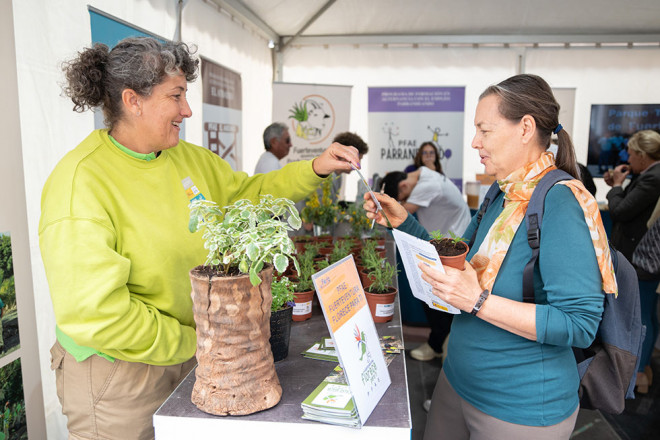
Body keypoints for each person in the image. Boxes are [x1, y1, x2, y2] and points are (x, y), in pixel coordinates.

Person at [39, 37, 360, 440]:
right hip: (118, 376)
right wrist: (198, 341)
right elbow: (97, 314)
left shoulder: (187, 158)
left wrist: (315, 168)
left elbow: (251, 194)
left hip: (192, 355)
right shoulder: (80, 182)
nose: (187, 110)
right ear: (133, 101)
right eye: (176, 96)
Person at [365, 74, 615, 439]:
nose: (474, 142)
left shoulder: (562, 203)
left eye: (485, 130)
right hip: (457, 380)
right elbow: (455, 262)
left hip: (519, 408)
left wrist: (477, 301)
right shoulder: (501, 192)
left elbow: (578, 324)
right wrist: (402, 223)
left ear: (525, 128)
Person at [381, 167, 470, 365]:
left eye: (402, 198)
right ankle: (438, 342)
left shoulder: (427, 185)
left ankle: (438, 345)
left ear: (403, 186)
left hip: (450, 248)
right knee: (434, 295)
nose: (403, 201)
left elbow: (401, 213)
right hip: (442, 244)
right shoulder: (424, 175)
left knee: (436, 295)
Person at [604, 129, 660, 393]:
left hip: (641, 260)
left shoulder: (653, 178)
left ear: (642, 155)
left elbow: (620, 210)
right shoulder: (648, 176)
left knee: (642, 315)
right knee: (647, 312)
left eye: (631, 153)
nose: (628, 158)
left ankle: (636, 372)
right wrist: (619, 184)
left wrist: (616, 187)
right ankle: (641, 366)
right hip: (643, 260)